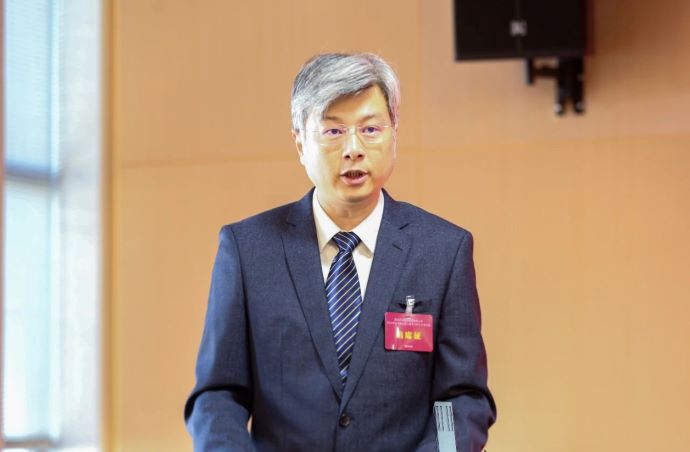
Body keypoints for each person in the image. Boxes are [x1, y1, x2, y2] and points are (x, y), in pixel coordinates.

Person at [184, 52, 496, 451]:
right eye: (333, 131)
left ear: (394, 132)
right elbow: (217, 395)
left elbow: (460, 399)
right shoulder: (248, 250)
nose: (353, 149)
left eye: (370, 129)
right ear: (300, 142)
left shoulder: (442, 250)